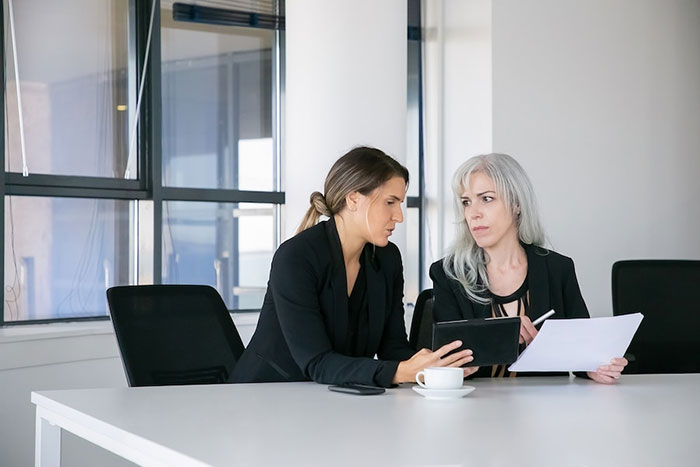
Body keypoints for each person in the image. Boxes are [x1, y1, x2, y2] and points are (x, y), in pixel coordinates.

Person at [232, 146, 477, 387]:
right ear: (353, 199)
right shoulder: (296, 258)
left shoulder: (387, 258)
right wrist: (402, 372)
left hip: (333, 398)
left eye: (400, 203)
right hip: (266, 397)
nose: (399, 216)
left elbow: (392, 347)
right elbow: (317, 362)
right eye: (390, 202)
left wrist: (436, 366)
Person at [429, 153, 627, 384]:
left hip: (544, 408)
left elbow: (582, 353)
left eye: (487, 199)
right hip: (476, 409)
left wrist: (596, 367)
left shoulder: (558, 268)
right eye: (466, 202)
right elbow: (447, 360)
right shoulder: (447, 273)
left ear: (517, 204)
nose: (473, 213)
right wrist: (495, 339)